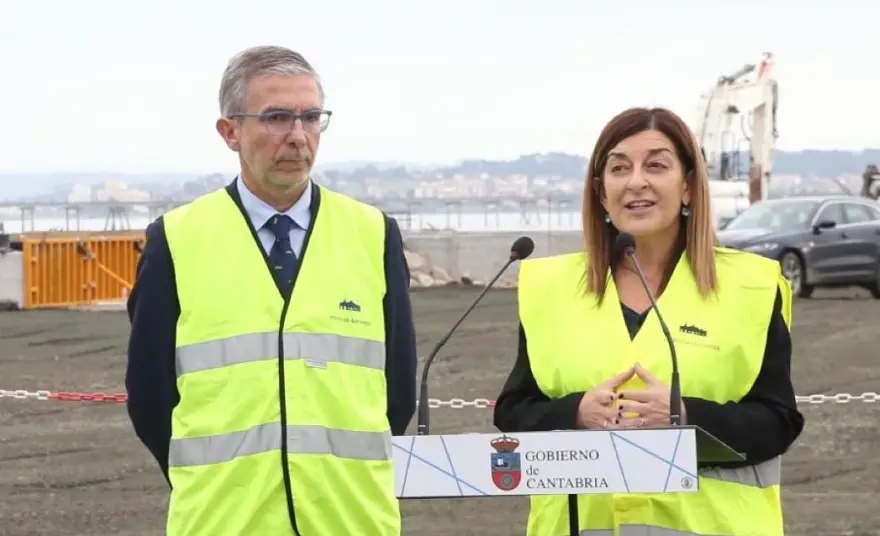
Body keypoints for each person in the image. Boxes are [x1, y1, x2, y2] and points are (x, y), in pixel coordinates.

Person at [124, 45, 417, 536]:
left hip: (349, 517)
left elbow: (398, 390)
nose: (298, 137)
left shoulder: (372, 233)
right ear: (230, 131)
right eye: (277, 117)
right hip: (224, 518)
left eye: (311, 118)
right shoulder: (177, 239)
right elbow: (150, 396)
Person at [493, 107, 805, 536]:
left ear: (689, 187)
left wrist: (685, 415)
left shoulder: (750, 285)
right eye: (620, 168)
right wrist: (576, 413)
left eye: (656, 165)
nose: (636, 181)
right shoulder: (551, 288)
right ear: (602, 194)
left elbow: (777, 421)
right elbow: (514, 411)